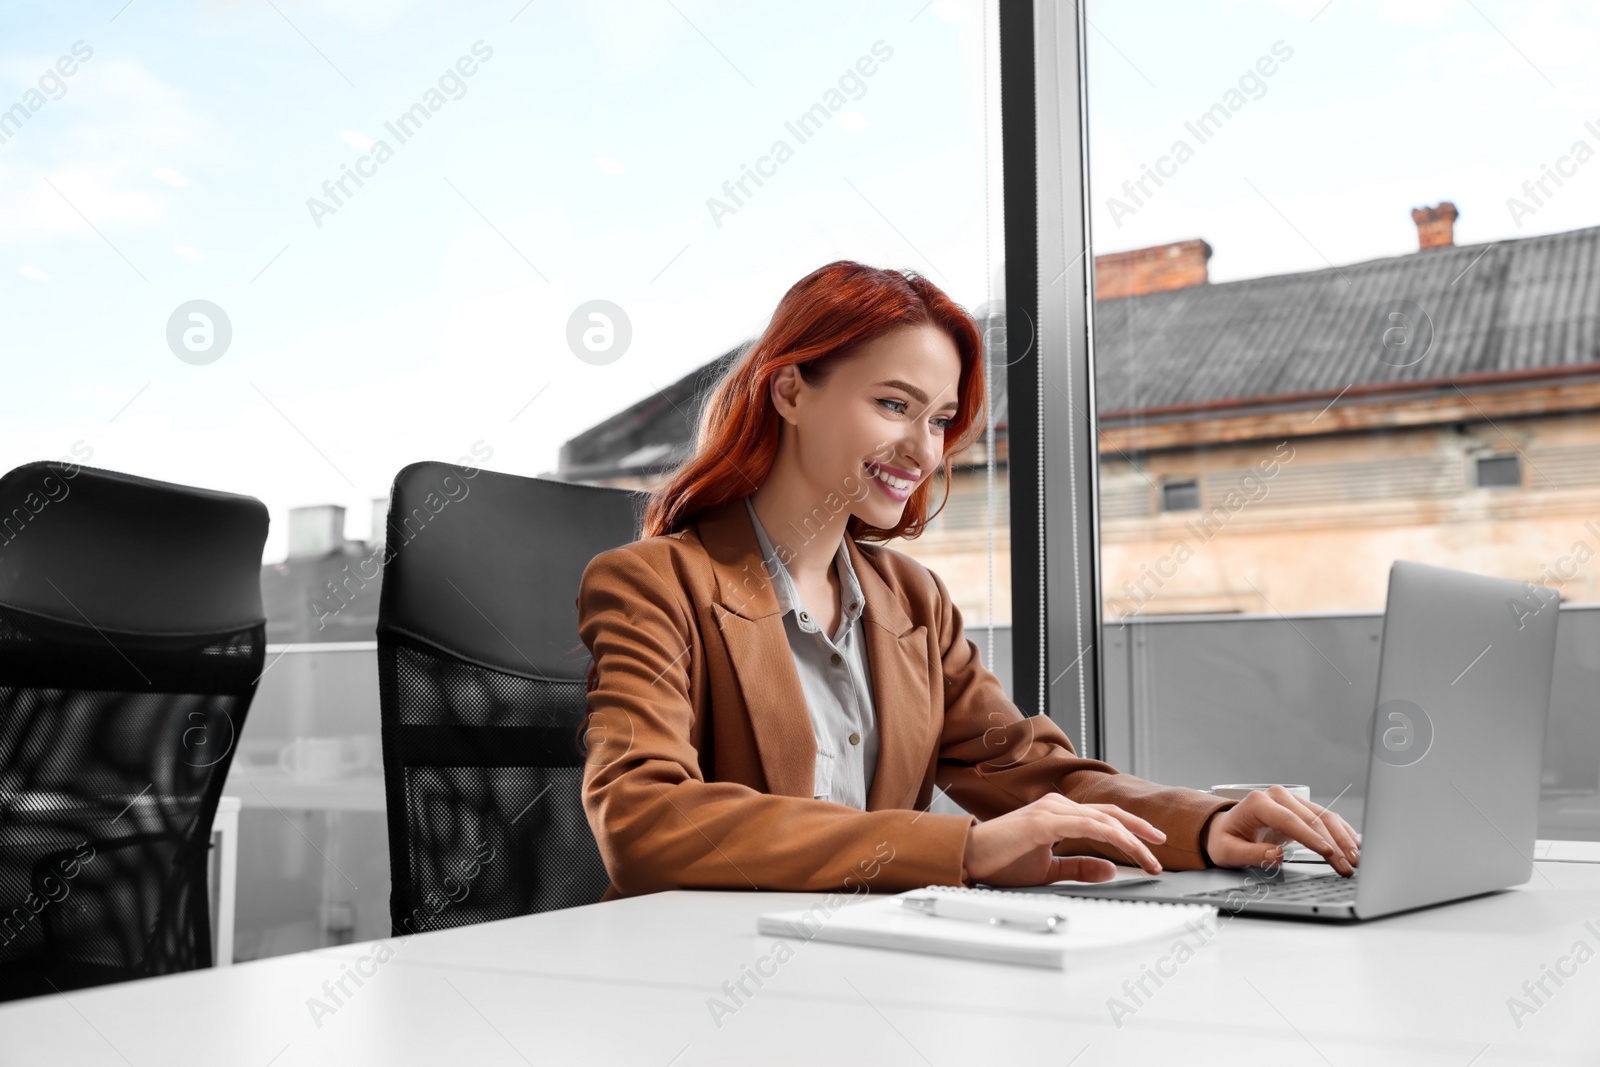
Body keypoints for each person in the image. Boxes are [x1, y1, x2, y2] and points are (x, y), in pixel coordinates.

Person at [576, 260, 1359, 900]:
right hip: (699, 984)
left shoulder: (912, 602)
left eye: (940, 419)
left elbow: (1027, 772)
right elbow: (644, 819)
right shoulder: (654, 583)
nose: (923, 451)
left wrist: (1204, 824)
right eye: (894, 404)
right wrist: (963, 849)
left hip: (873, 976)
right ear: (789, 391)